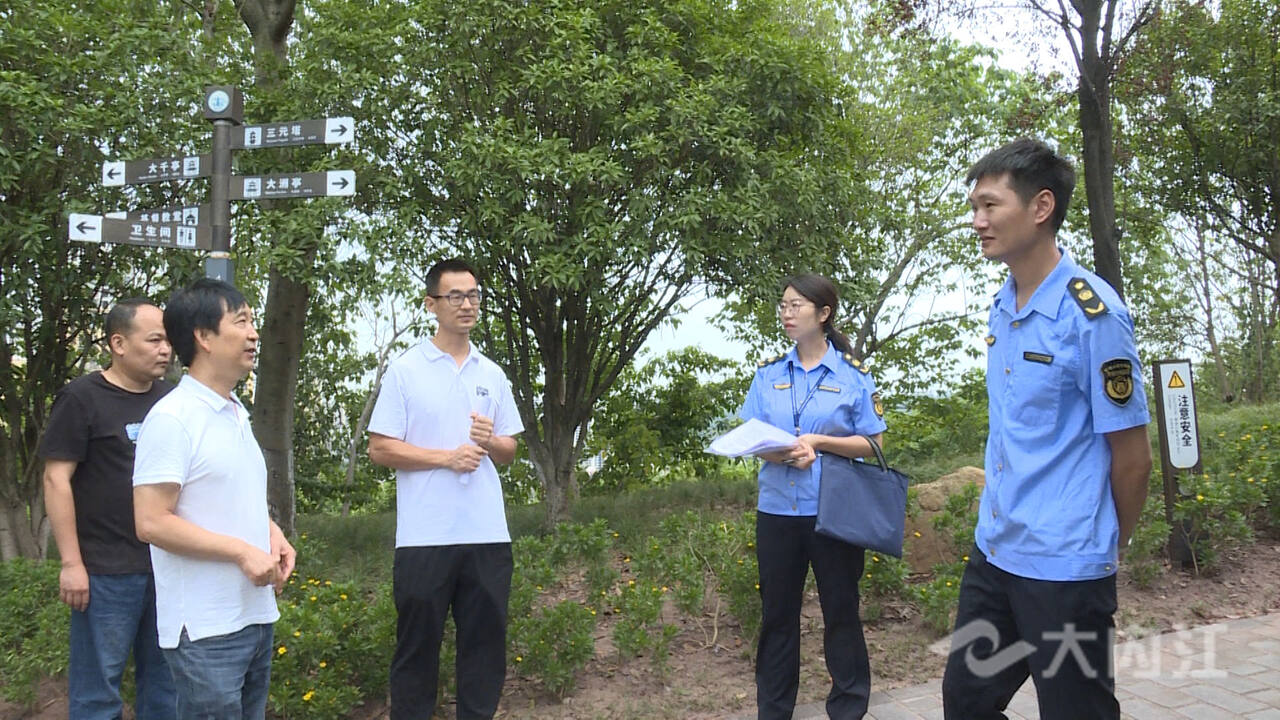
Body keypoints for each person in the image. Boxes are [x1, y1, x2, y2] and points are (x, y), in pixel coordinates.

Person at [941, 138, 1152, 719]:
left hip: (1065, 567)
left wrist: (1106, 544)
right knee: (966, 701)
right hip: (996, 552)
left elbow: (1133, 456)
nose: (977, 221)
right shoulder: (1003, 304)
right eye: (975, 207)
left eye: (990, 205)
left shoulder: (1093, 314)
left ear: (1041, 207)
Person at [132, 278, 296, 720]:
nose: (253, 334)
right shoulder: (173, 419)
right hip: (205, 630)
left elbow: (226, 498)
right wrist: (242, 551)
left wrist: (270, 533)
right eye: (240, 322)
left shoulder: (234, 412)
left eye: (252, 322)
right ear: (203, 337)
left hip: (253, 616)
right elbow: (151, 521)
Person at [368, 258, 523, 720]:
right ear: (431, 304)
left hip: (487, 535)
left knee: (485, 652)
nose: (467, 304)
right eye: (455, 296)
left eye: (473, 295)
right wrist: (446, 458)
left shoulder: (491, 373)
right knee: (417, 653)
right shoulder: (406, 370)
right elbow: (380, 448)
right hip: (425, 538)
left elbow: (509, 450)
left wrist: (489, 441)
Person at [738, 273, 888, 720]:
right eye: (783, 305)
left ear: (823, 314)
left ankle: (848, 707)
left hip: (833, 512)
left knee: (841, 612)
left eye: (796, 305)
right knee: (777, 617)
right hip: (777, 513)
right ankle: (774, 710)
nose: (786, 313)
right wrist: (781, 451)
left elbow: (874, 443)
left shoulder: (853, 375)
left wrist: (819, 444)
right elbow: (751, 437)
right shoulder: (767, 374)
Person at [38, 298, 177, 719]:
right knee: (97, 695)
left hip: (168, 567)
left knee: (167, 691)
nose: (165, 350)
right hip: (104, 574)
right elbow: (56, 479)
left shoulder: (172, 401)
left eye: (168, 340)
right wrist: (71, 564)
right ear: (118, 343)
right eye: (154, 340)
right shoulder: (81, 398)